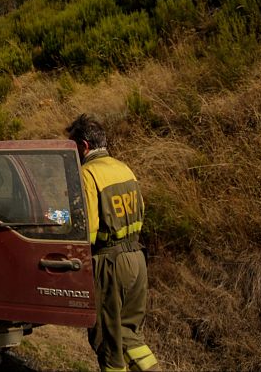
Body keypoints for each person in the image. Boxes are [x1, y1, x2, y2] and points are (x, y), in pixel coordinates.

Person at [66, 114, 159, 372]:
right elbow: (141, 208)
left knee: (108, 343)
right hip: (137, 259)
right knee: (131, 336)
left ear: (83, 146)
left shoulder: (87, 174)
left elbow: (89, 231)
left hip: (110, 264)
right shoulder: (123, 168)